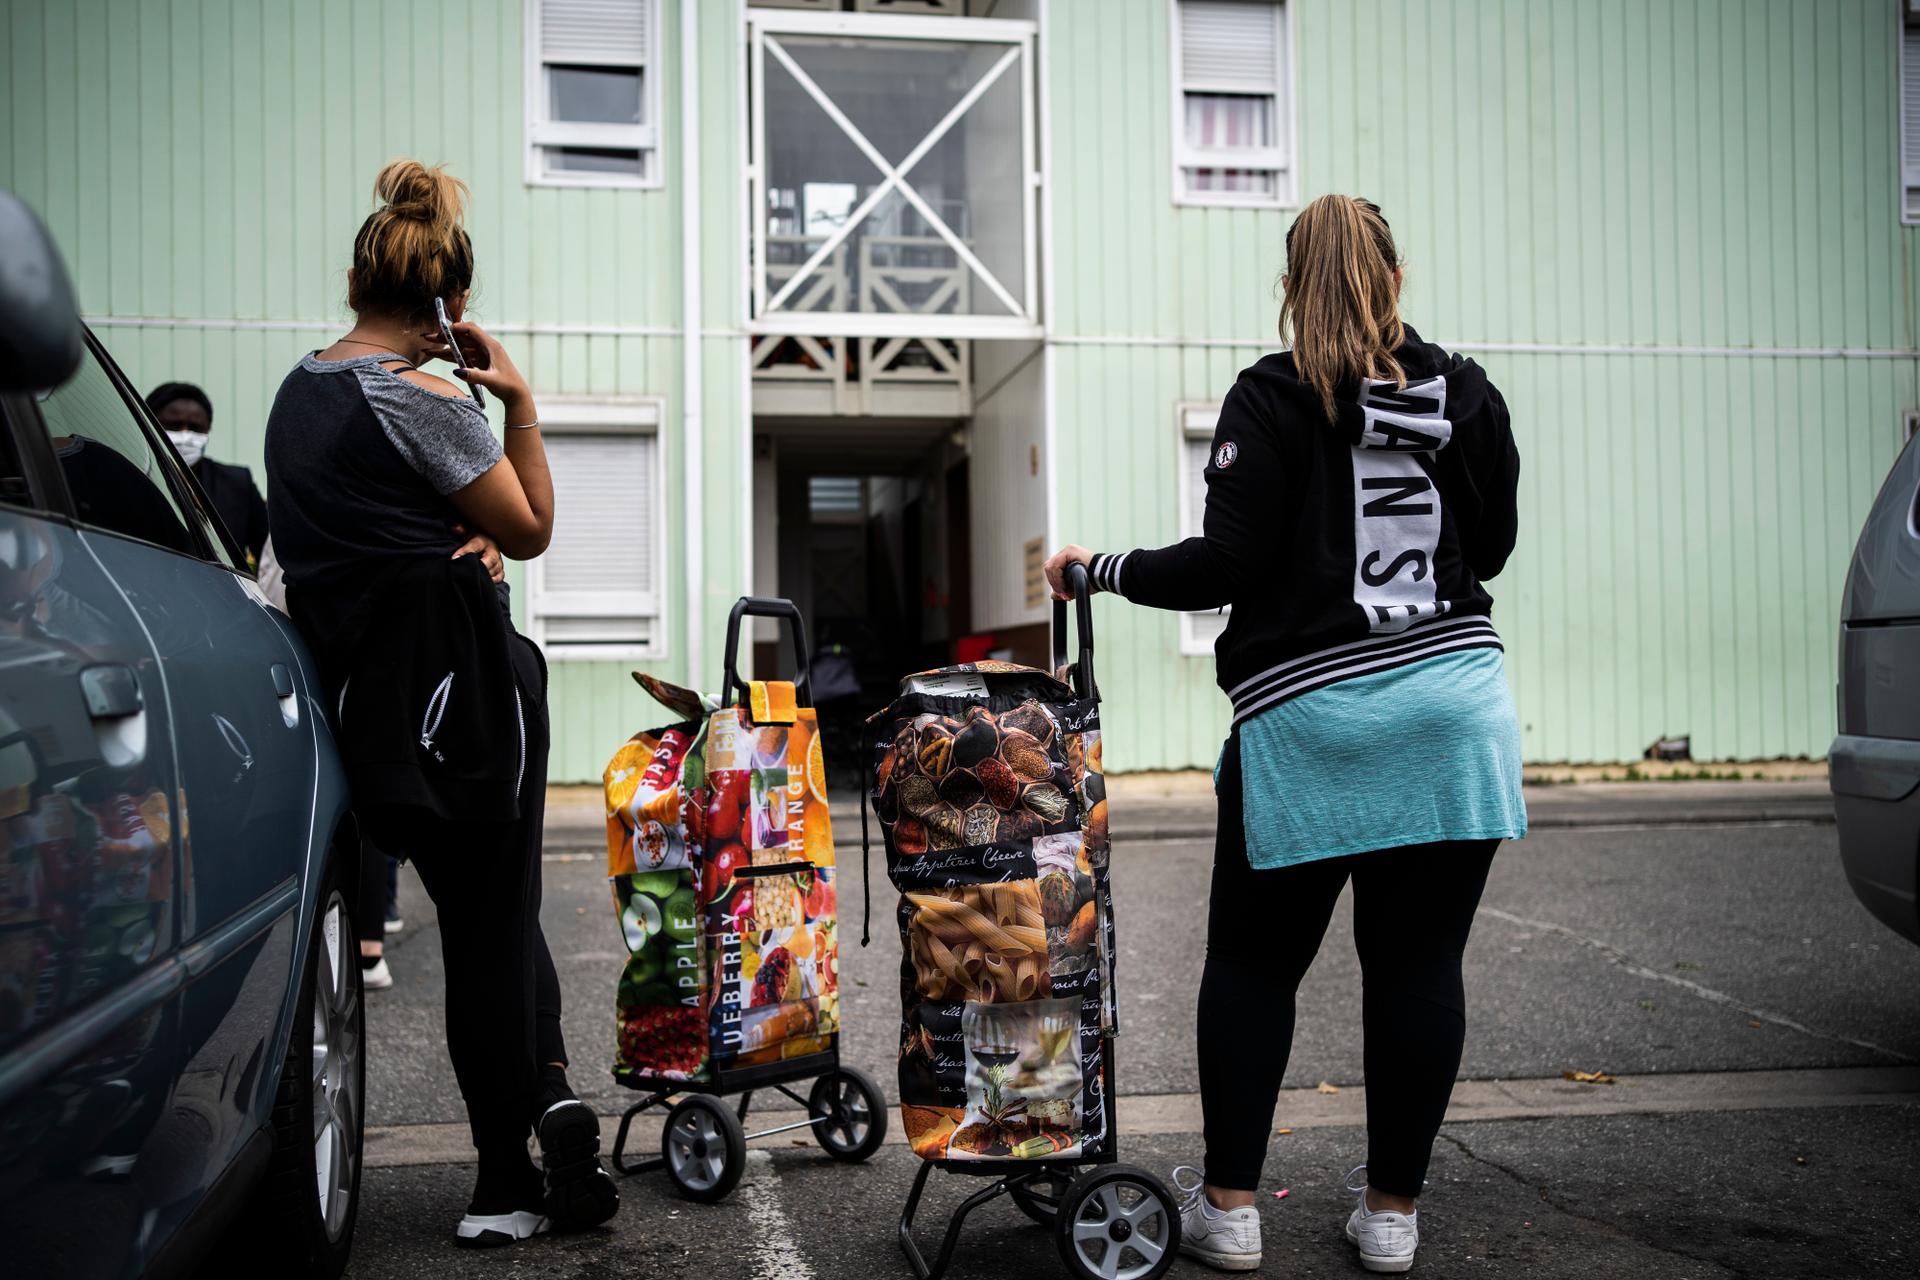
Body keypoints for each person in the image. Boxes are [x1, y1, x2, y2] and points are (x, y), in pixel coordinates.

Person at [1045, 194, 1524, 1275]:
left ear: (1289, 287)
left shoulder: (1269, 396)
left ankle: (1230, 1209)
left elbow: (1225, 565)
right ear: (1395, 281)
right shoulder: (1471, 393)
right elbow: (1489, 545)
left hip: (1312, 722)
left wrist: (1095, 568)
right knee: (1417, 964)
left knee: (1258, 965)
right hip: (1454, 710)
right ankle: (1391, 1215)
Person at [264, 159, 616, 1247]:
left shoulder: (298, 392)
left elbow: (340, 544)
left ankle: (548, 1085)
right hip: (464, 696)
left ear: (358, 279)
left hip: (363, 703)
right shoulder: (424, 399)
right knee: (491, 926)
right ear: (447, 306)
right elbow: (530, 527)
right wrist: (517, 402)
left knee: (490, 911)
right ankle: (507, 1175)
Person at [147, 381, 271, 563]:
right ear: (149, 423)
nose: (185, 435)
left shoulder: (237, 484)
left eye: (195, 428)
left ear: (207, 430)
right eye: (173, 426)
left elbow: (266, 556)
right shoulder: (132, 476)